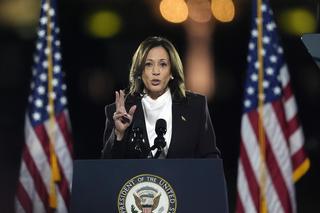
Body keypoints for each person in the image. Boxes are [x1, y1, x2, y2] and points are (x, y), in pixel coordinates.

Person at [101, 36, 220, 159]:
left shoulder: (195, 106)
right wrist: (119, 133)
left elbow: (210, 158)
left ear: (172, 72)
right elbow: (107, 168)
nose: (156, 71)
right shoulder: (120, 112)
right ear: (140, 71)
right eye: (148, 64)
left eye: (163, 64)